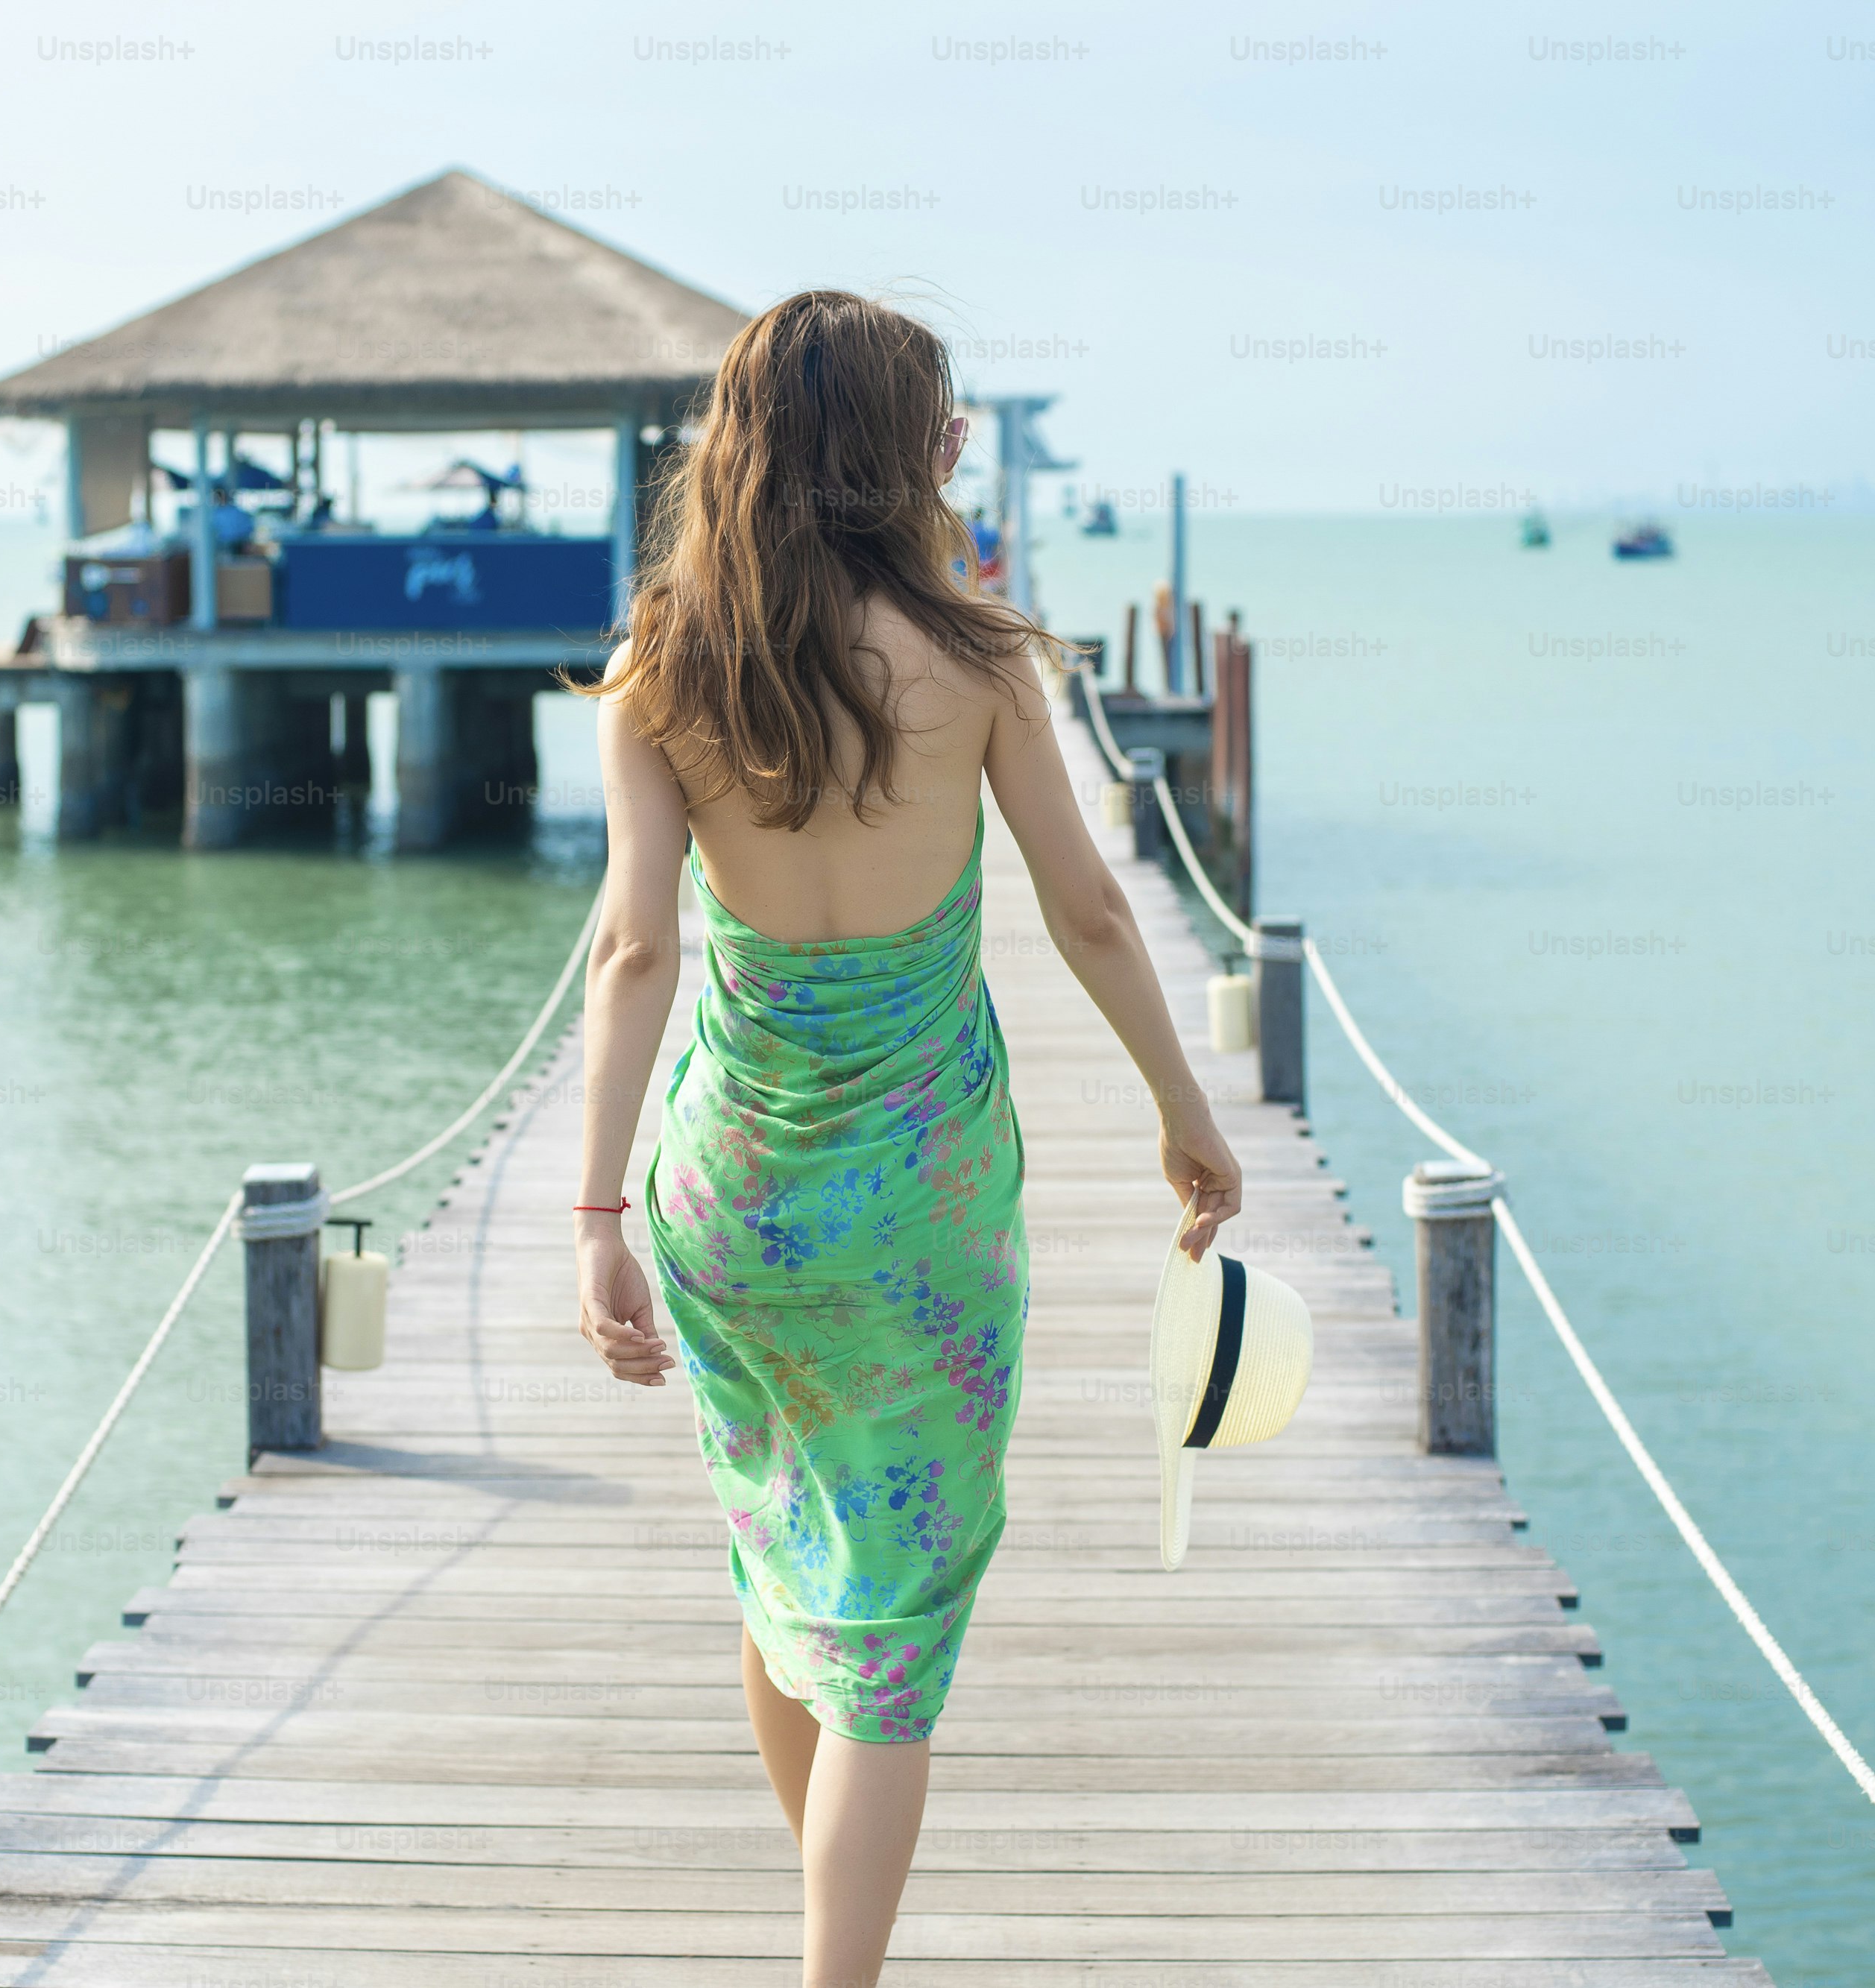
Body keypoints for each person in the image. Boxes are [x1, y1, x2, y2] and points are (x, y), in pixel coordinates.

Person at [567, 290, 1242, 1987]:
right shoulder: (977, 659)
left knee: (782, 1549)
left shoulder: (659, 667)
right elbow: (1087, 909)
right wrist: (1181, 1107)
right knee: (888, 1631)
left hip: (723, 1194)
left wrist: (594, 1211)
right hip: (918, 1213)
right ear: (899, 452)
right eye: (938, 426)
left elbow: (632, 948)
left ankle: (825, 1911)